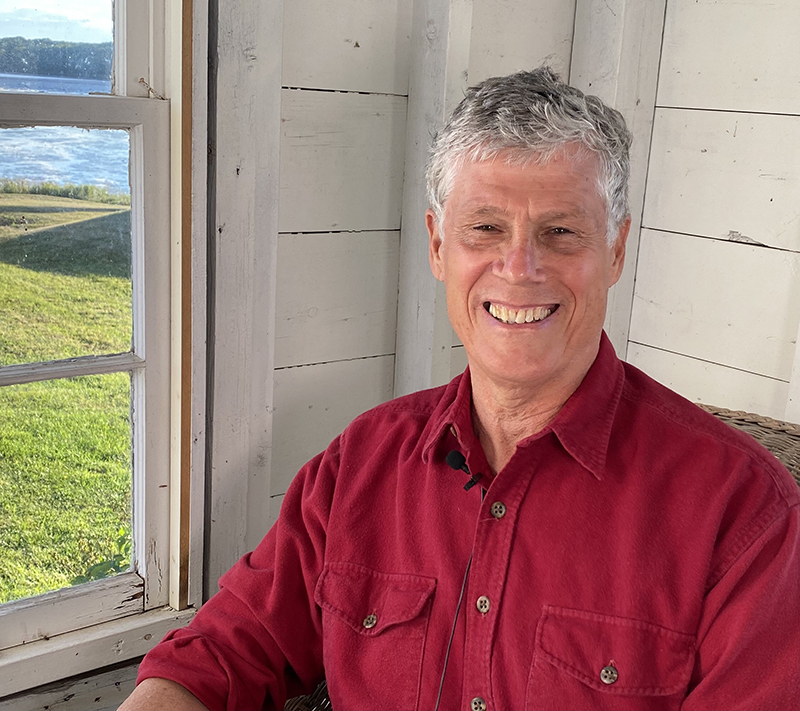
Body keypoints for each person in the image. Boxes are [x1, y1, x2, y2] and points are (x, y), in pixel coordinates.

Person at [120, 68, 800, 711]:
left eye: (561, 232)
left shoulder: (743, 510)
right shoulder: (361, 462)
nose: (520, 268)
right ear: (439, 245)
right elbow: (219, 654)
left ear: (615, 251)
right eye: (486, 228)